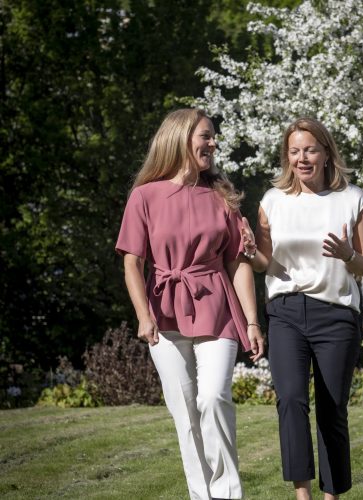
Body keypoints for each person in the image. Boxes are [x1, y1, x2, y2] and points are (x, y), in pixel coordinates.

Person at [115, 108, 265, 500]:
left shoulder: (221, 196)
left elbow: (238, 262)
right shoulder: (144, 196)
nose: (213, 143)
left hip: (216, 304)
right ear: (181, 139)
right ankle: (203, 496)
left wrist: (252, 321)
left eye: (213, 136)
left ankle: (230, 494)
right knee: (185, 412)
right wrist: (143, 316)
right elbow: (132, 262)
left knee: (213, 396)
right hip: (163, 310)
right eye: (206, 136)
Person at [241, 117, 363, 500]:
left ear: (326, 153)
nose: (302, 158)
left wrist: (349, 254)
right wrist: (251, 254)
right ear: (288, 156)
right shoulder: (272, 200)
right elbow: (265, 262)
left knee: (332, 408)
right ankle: (302, 494)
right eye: (295, 151)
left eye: (310, 150)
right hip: (285, 311)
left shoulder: (354, 199)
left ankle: (331, 495)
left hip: (336, 314)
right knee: (291, 399)